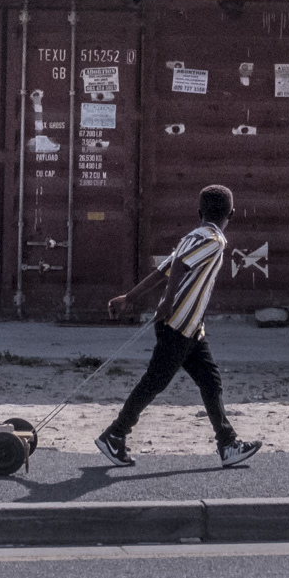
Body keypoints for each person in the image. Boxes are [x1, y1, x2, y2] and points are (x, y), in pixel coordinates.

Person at [95, 184, 262, 470]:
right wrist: (168, 303)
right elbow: (181, 266)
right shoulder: (214, 240)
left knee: (211, 381)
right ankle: (115, 434)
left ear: (199, 212)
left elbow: (163, 270)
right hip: (179, 324)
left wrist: (129, 297)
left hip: (191, 328)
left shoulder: (191, 236)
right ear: (231, 214)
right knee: (155, 382)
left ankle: (227, 444)